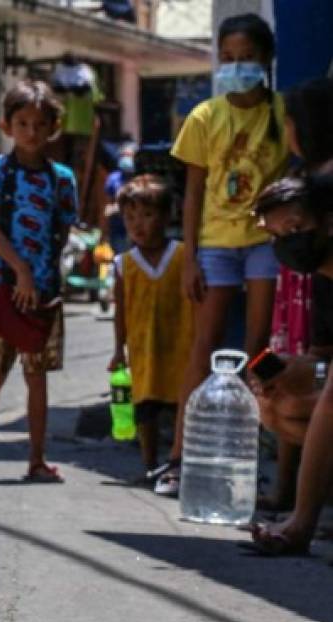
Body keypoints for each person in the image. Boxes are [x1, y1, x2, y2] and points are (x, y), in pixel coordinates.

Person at [159, 13, 289, 497]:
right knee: (205, 347)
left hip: (264, 245)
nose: (236, 67)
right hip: (214, 246)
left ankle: (246, 456)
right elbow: (192, 194)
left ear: (266, 61)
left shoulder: (283, 112)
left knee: (259, 352)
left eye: (246, 59)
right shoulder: (205, 117)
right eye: (228, 59)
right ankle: (178, 459)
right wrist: (189, 257)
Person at [0, 80, 79, 484]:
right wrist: (22, 271)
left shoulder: (62, 178)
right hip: (0, 286)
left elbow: (64, 229)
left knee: (37, 376)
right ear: (7, 125)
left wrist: (41, 274)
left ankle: (36, 460)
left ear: (53, 127)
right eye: (23, 122)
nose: (32, 131)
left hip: (45, 294)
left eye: (40, 123)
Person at [255, 77, 333, 511]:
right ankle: (296, 495)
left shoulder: (318, 187)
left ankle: (303, 511)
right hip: (316, 339)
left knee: (305, 403)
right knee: (276, 397)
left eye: (294, 228)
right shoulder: (300, 179)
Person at [248, 166, 333, 555]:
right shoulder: (322, 280)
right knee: (280, 405)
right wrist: (289, 370)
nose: (286, 243)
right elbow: (322, 361)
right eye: (276, 236)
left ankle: (302, 522)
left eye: (295, 229)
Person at [108, 175, 194, 484]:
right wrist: (119, 349)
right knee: (145, 408)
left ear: (166, 216)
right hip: (143, 348)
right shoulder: (123, 264)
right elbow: (121, 311)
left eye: (146, 215)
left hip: (180, 344)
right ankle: (149, 464)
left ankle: (175, 462)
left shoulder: (185, 256)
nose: (138, 224)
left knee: (178, 405)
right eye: (130, 218)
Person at [102, 141, 137, 255]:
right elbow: (107, 206)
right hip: (118, 231)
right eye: (123, 155)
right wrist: (104, 234)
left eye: (129, 156)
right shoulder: (113, 179)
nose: (126, 159)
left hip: (136, 230)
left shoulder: (140, 178)